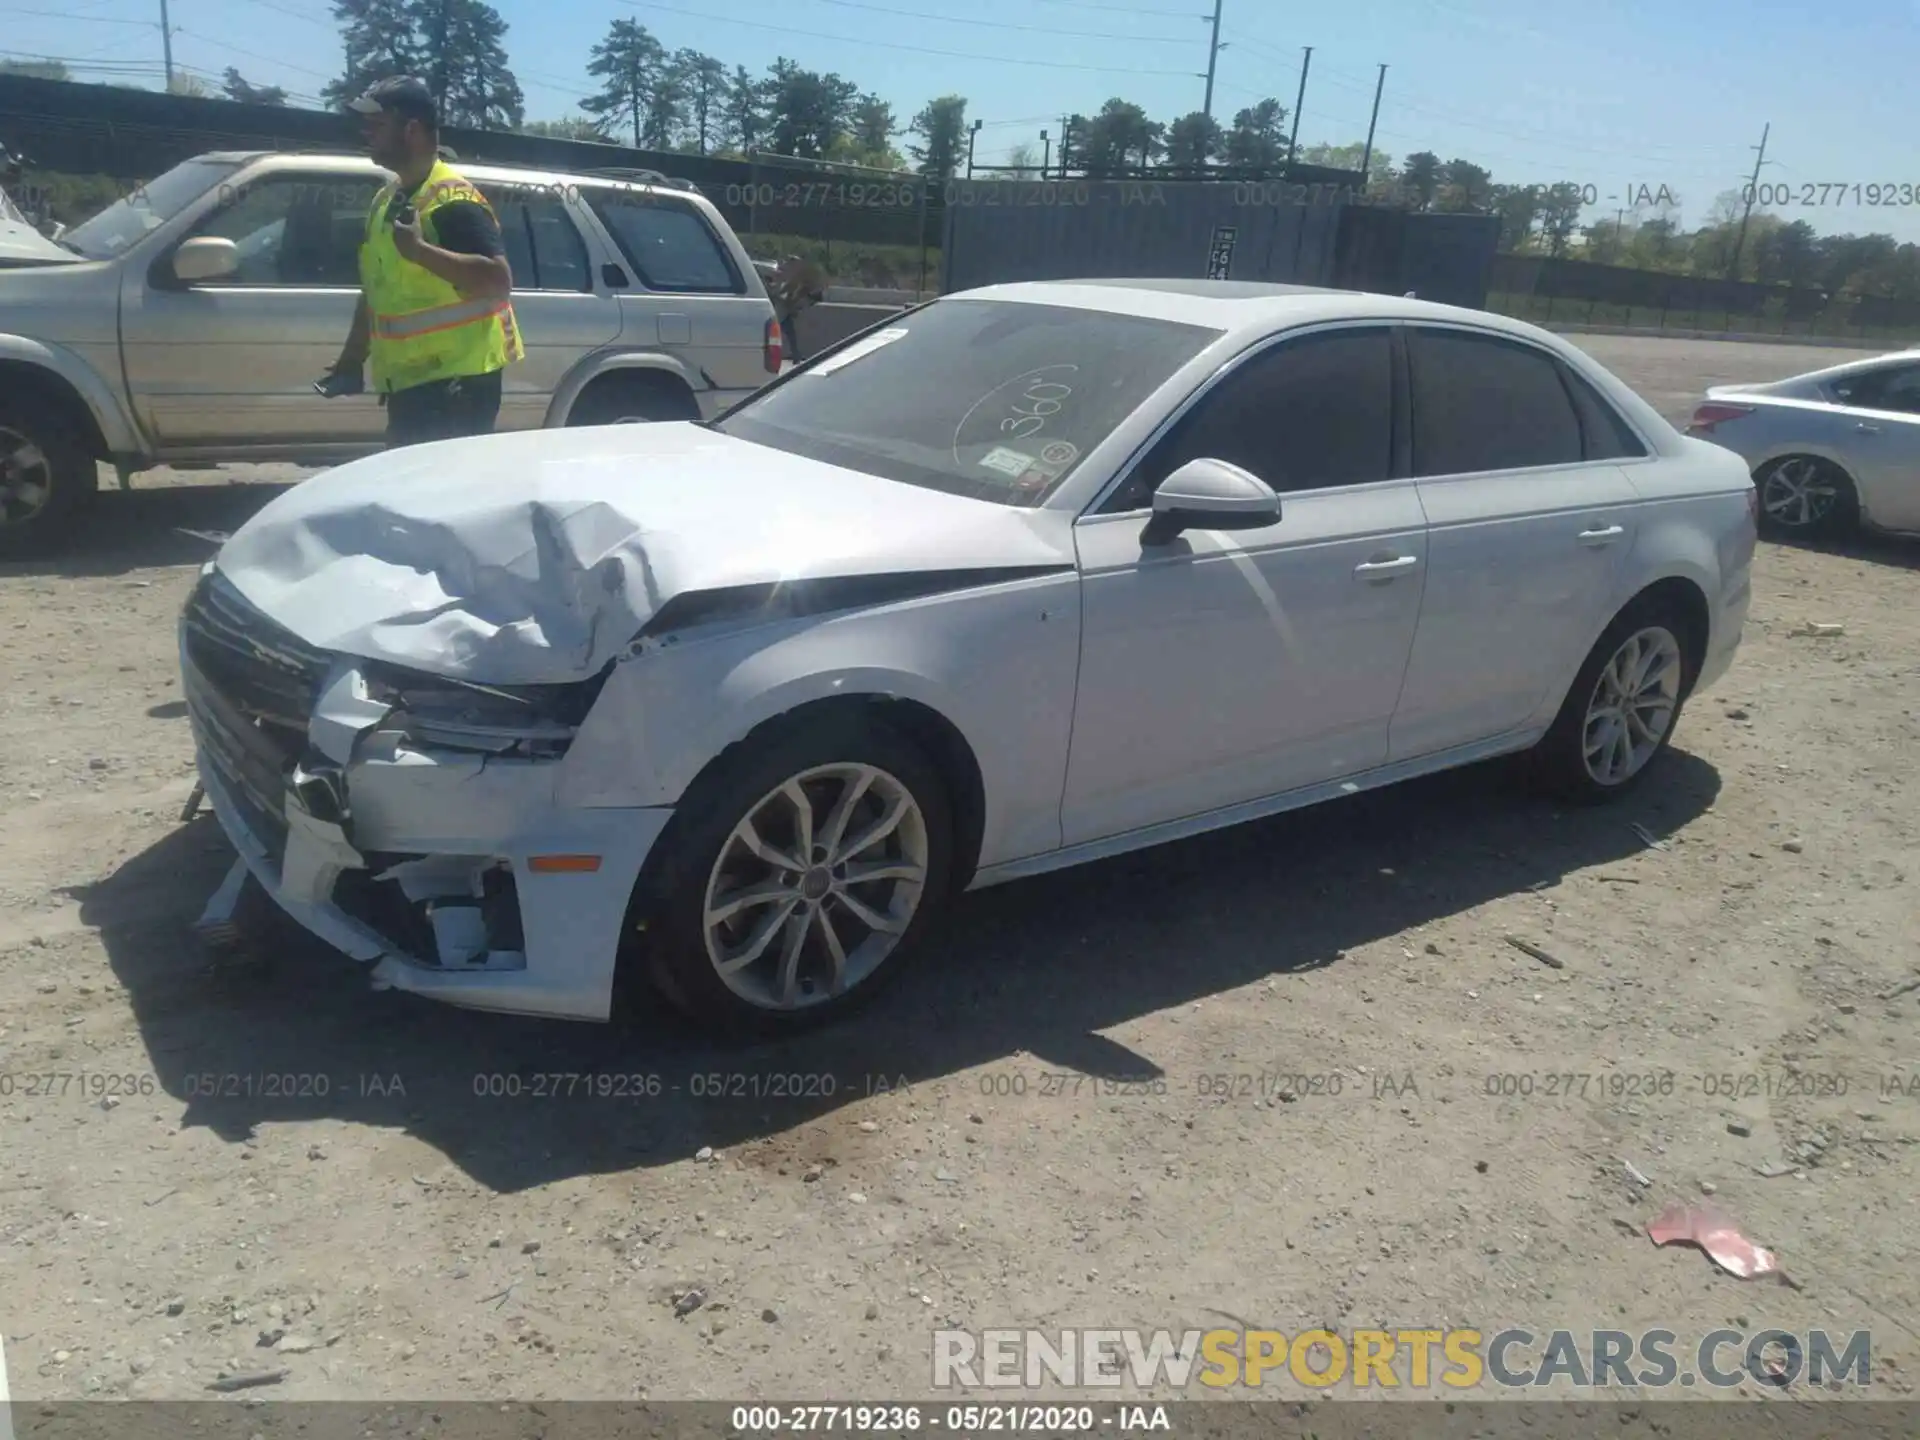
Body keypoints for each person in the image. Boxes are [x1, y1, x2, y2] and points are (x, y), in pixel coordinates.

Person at [322, 76, 523, 448]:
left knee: (443, 499)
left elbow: (498, 282)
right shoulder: (388, 199)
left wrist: (419, 251)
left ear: (411, 130)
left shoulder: (453, 202)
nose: (367, 132)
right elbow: (377, 290)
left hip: (456, 389)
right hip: (414, 386)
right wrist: (352, 359)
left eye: (378, 125)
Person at [768, 253, 826, 363]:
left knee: (783, 323)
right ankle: (795, 353)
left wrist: (788, 301)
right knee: (788, 329)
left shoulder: (802, 273)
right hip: (798, 301)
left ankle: (795, 353)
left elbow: (793, 289)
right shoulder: (797, 273)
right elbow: (789, 288)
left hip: (809, 298)